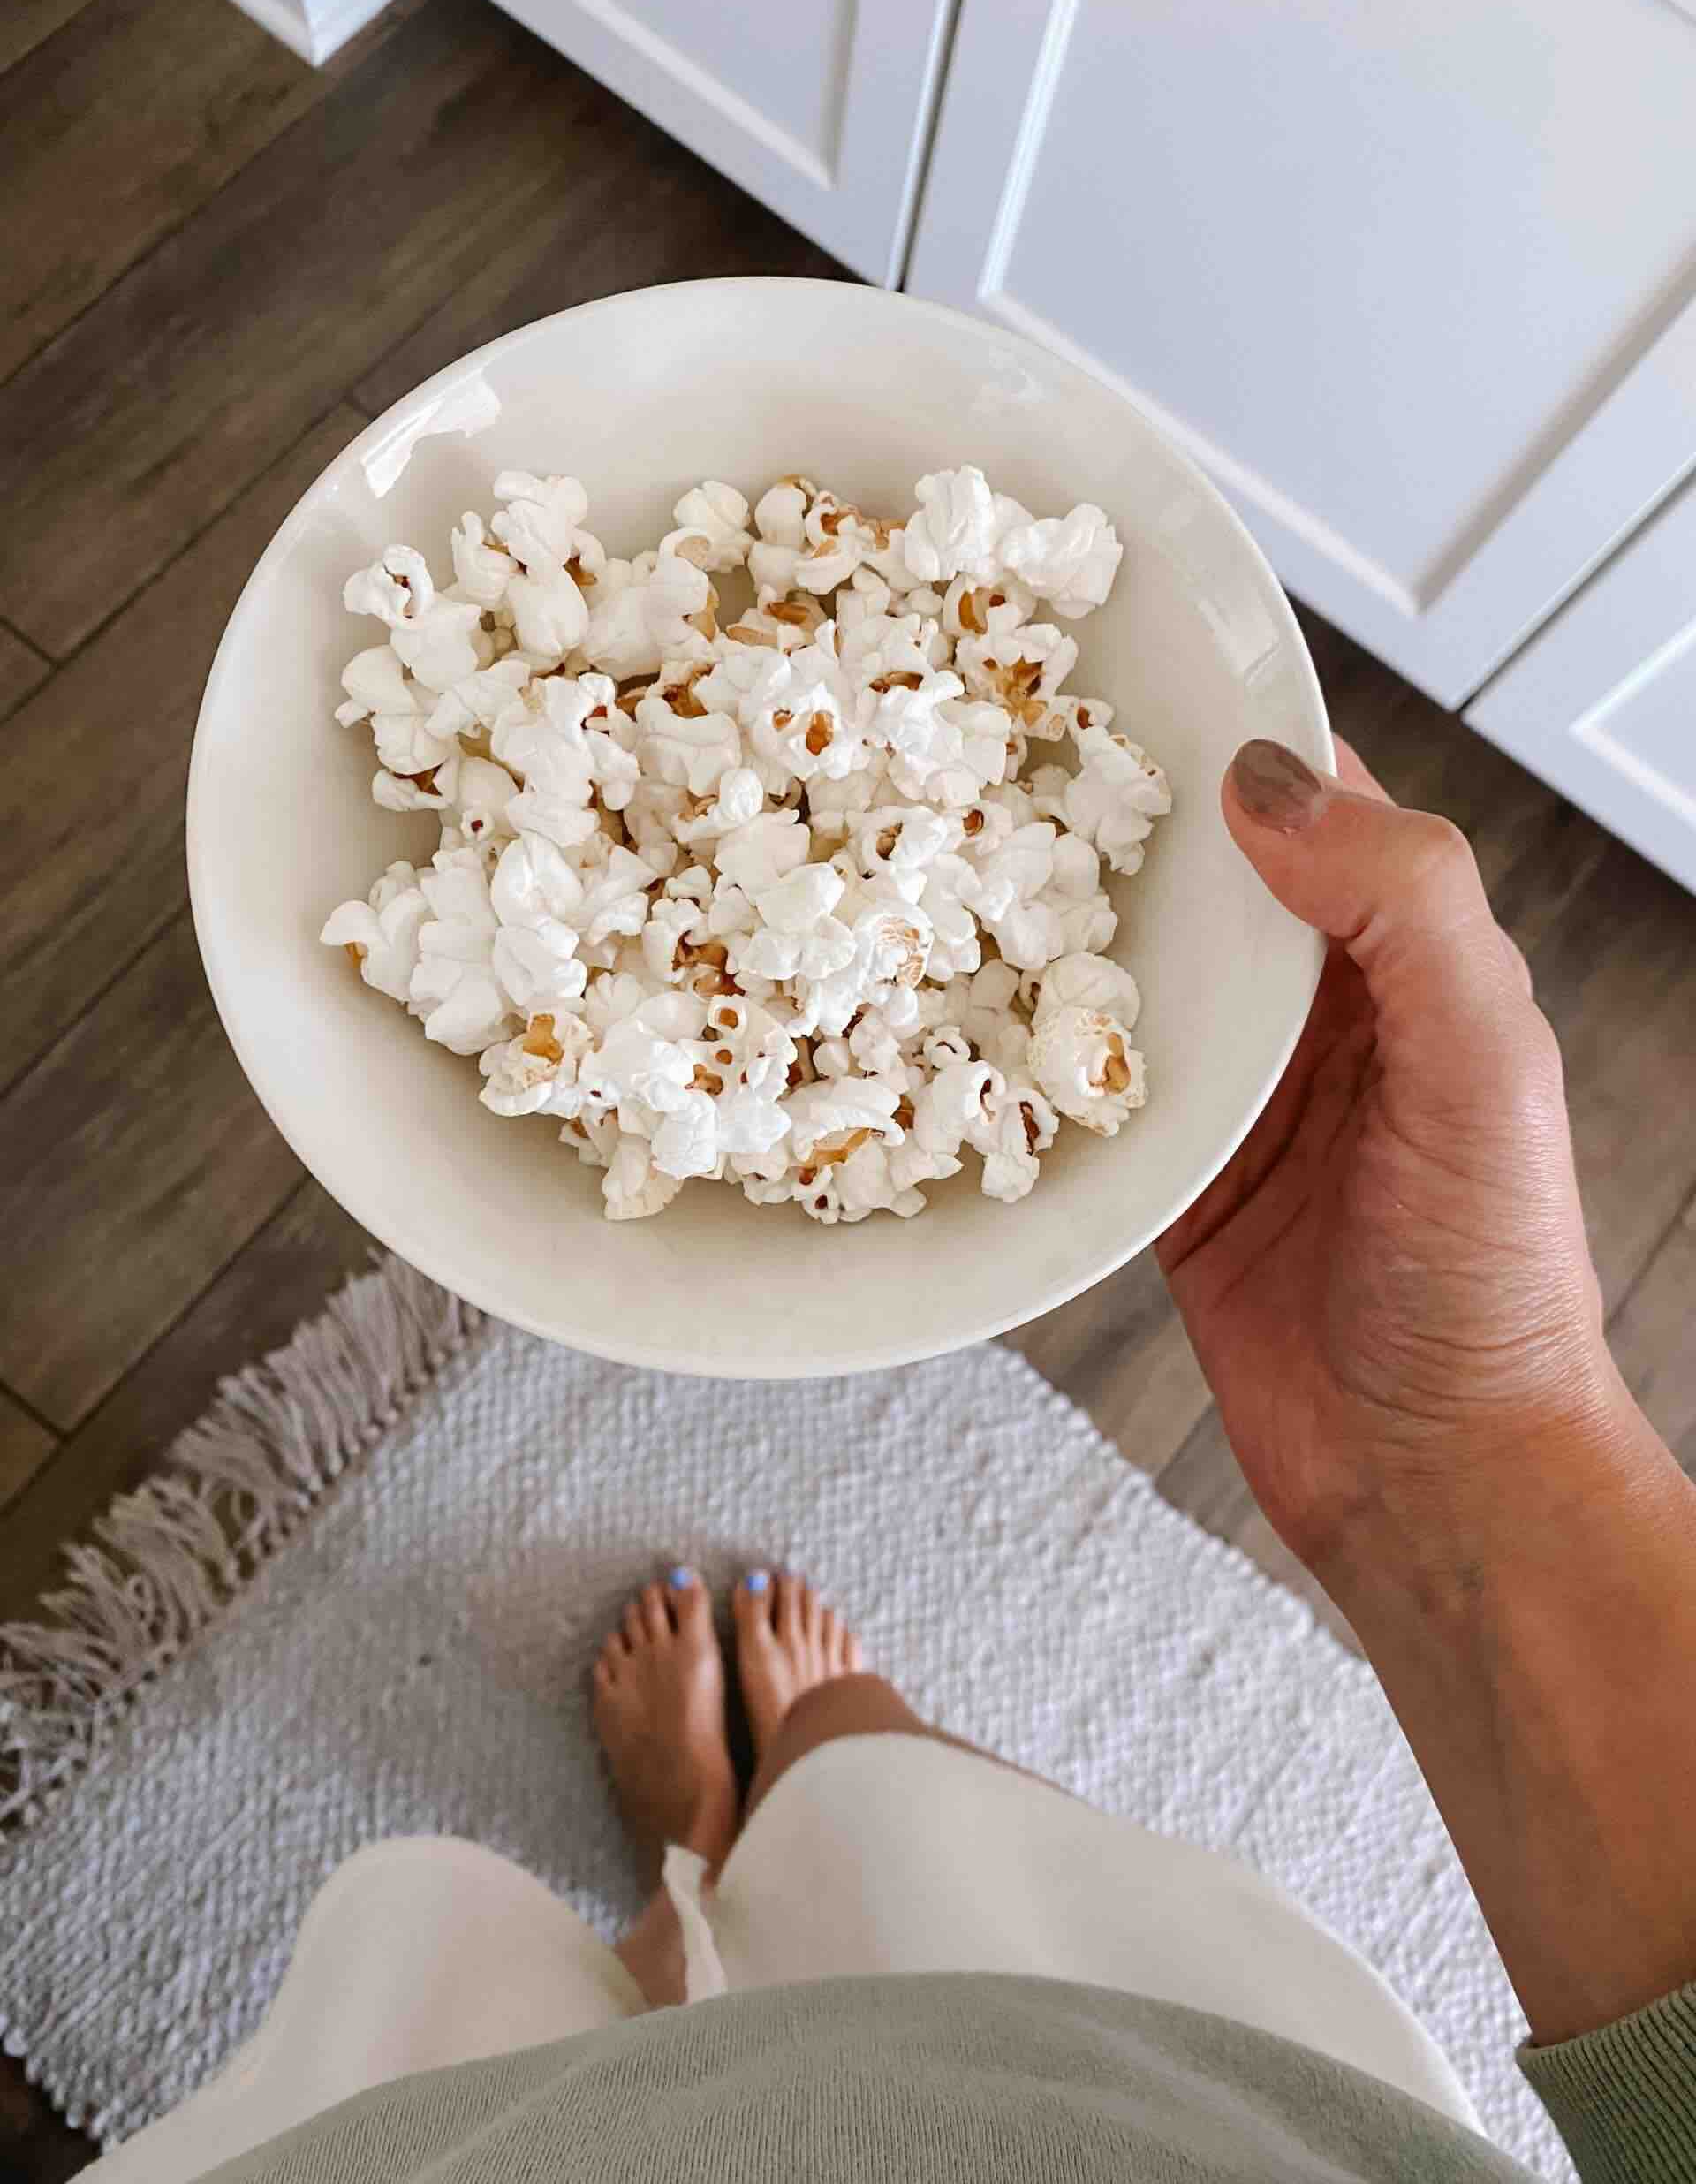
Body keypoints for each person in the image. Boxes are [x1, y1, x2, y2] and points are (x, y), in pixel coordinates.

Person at [93, 739, 1696, 2184]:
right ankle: (795, 1800)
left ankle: (682, 1908)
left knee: (513, 2049)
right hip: (1172, 2119)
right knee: (923, 1852)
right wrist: (1470, 1460)